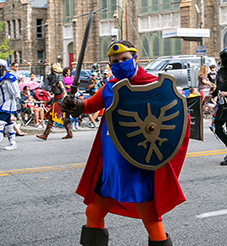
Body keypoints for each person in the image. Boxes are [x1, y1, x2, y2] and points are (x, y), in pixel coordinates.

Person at [61, 40, 190, 246]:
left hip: (138, 164)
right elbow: (86, 106)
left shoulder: (153, 85)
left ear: (135, 59)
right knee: (93, 212)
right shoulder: (109, 87)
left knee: (150, 218)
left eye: (124, 59)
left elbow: (177, 115)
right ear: (110, 65)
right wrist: (72, 105)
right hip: (111, 166)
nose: (120, 63)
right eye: (115, 61)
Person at [36, 63, 72, 140]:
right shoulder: (55, 76)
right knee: (58, 117)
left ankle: (45, 135)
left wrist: (64, 93)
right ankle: (69, 133)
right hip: (57, 99)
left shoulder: (58, 77)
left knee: (52, 117)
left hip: (59, 100)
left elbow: (61, 85)